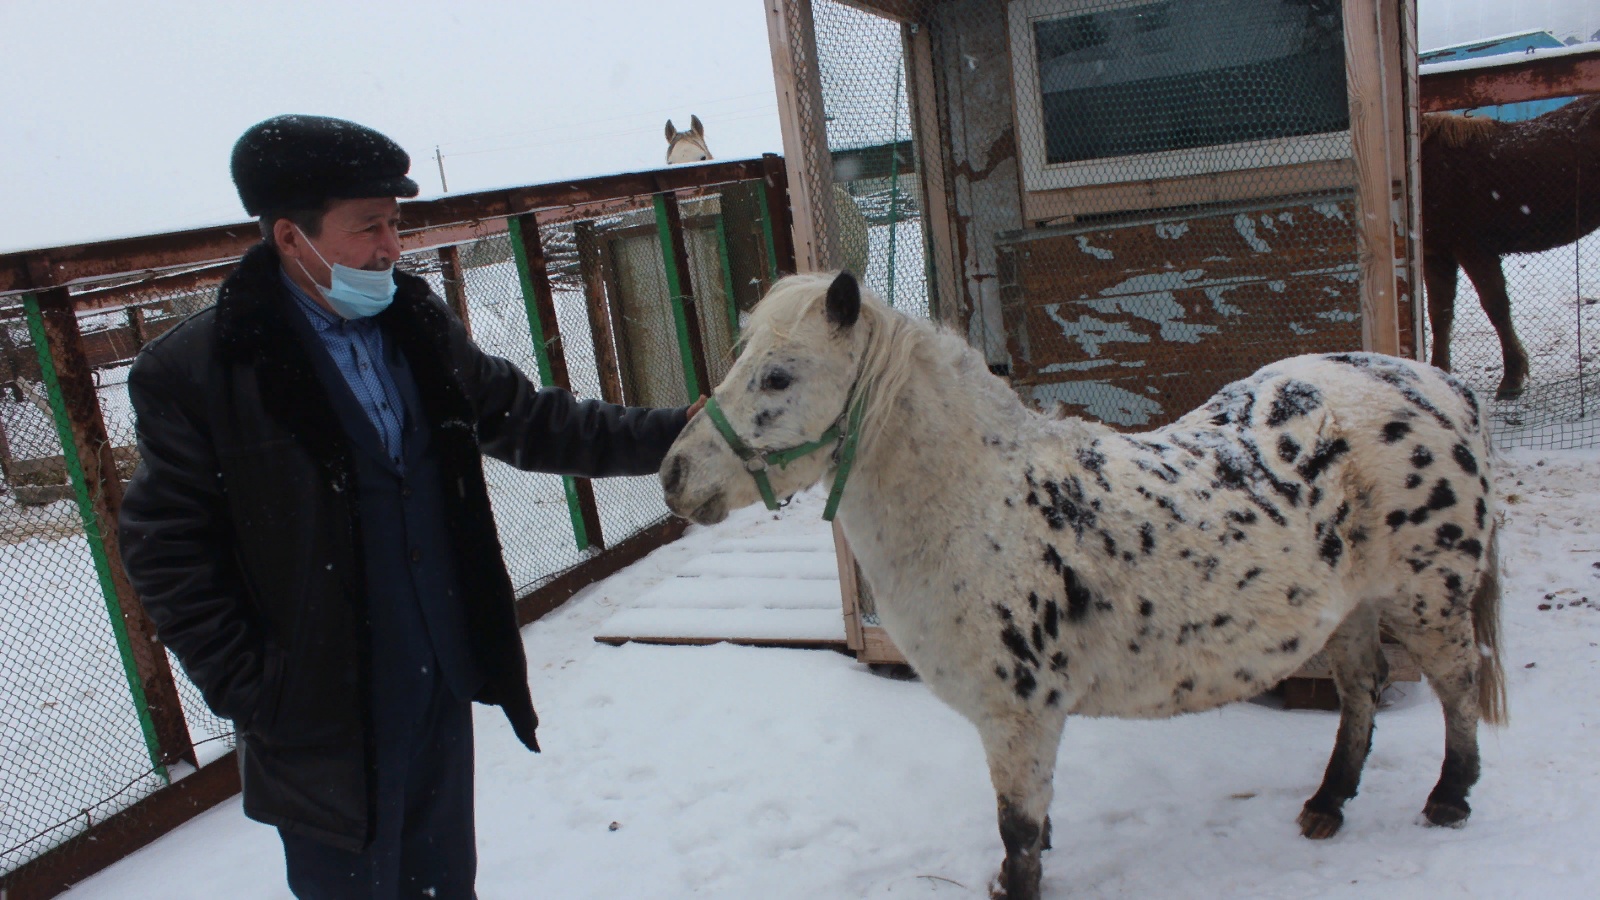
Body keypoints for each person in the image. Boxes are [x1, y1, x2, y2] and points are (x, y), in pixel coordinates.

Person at [118, 114, 702, 898]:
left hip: (435, 681)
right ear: (292, 238)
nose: (392, 247)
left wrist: (681, 438)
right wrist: (259, 691)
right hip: (321, 721)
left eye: (395, 224)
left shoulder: (415, 326)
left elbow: (530, 421)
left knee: (441, 885)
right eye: (369, 228)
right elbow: (165, 548)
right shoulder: (203, 370)